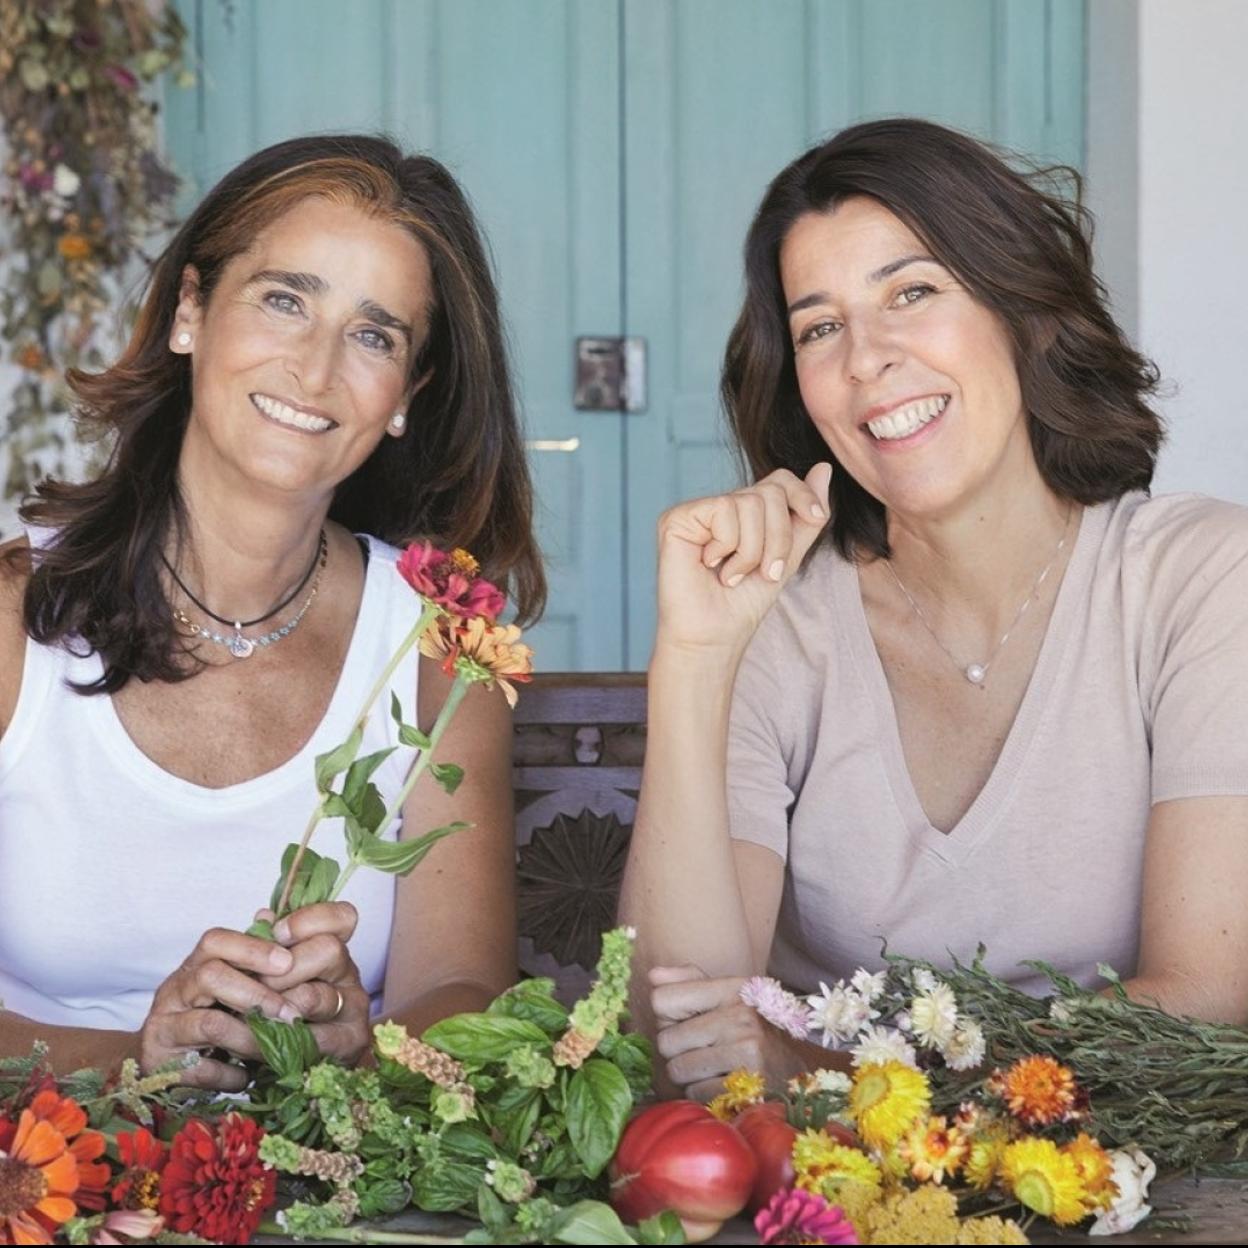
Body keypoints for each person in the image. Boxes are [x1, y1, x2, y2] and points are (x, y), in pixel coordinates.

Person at [619, 118, 1248, 1099]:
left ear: (1018, 309)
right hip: (819, 1197)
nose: (867, 358)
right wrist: (695, 659)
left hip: (1116, 1183)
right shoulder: (777, 622)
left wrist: (818, 1070)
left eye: (911, 292)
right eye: (820, 327)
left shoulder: (1199, 578)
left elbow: (1207, 997)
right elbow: (679, 1032)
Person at [0, 134, 544, 1090]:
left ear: (407, 394)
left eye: (375, 335)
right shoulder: (14, 615)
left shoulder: (437, 649)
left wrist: (360, 1047)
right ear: (190, 312)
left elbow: (462, 992)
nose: (316, 367)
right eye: (285, 299)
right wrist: (137, 1060)